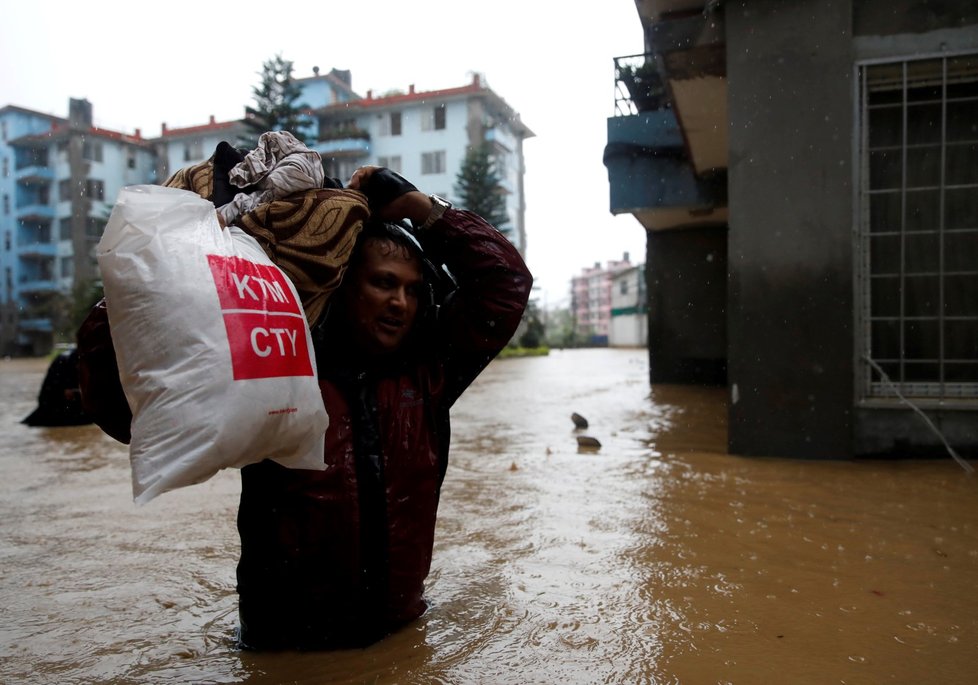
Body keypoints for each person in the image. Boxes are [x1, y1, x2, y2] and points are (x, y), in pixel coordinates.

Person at [234, 166, 533, 650]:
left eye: (414, 290)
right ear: (344, 285)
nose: (401, 303)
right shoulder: (283, 372)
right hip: (290, 652)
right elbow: (131, 413)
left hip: (401, 636)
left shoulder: (429, 376)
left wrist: (421, 208)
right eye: (383, 283)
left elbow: (505, 283)